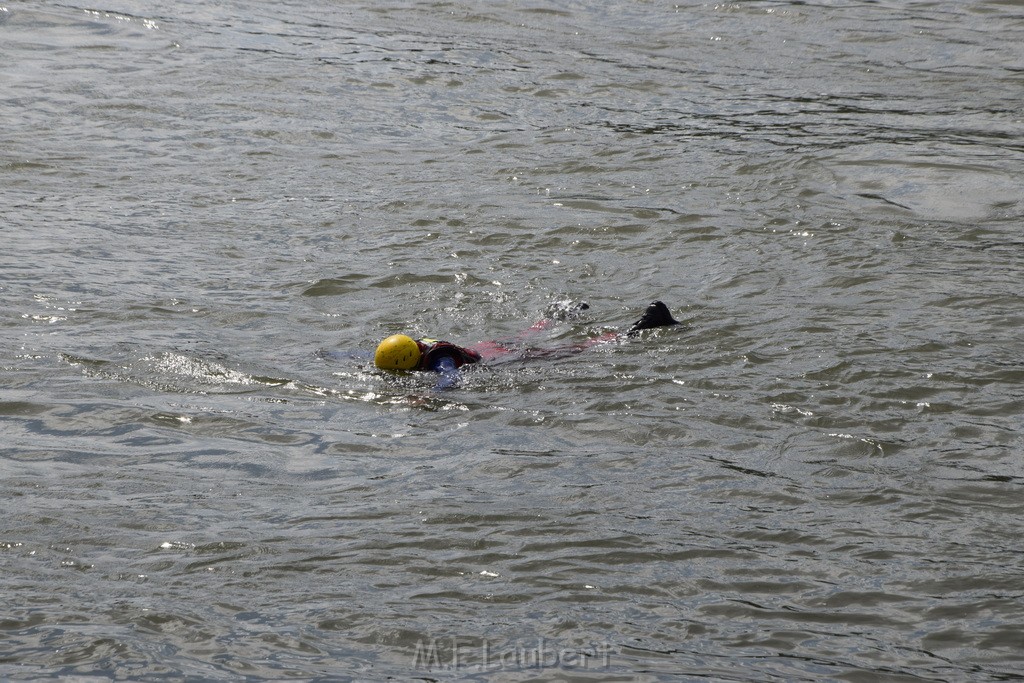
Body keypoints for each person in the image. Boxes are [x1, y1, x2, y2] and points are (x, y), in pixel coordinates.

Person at [374, 300, 679, 389]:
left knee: (564, 351)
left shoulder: (441, 361)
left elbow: (449, 378)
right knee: (523, 334)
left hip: (492, 359)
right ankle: (559, 313)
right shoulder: (409, 345)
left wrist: (429, 397)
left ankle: (637, 330)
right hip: (487, 346)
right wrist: (332, 355)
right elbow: (366, 354)